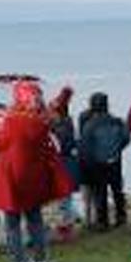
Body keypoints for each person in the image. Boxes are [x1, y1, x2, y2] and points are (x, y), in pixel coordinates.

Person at [0, 80, 75, 262]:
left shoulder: (12, 121)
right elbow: (56, 108)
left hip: (13, 178)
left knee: (12, 223)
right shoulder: (40, 121)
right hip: (33, 178)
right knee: (35, 220)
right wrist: (65, 93)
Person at [78, 92, 131, 231]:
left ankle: (103, 222)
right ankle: (121, 218)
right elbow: (126, 137)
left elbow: (85, 146)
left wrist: (90, 162)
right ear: (107, 105)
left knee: (100, 193)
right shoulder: (117, 121)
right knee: (117, 191)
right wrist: (117, 150)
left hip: (97, 164)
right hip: (115, 160)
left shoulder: (89, 125)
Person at [47, 87, 81, 231]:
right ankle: (71, 218)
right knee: (65, 198)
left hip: (63, 164)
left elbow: (61, 146)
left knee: (64, 198)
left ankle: (68, 223)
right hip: (68, 163)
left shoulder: (60, 127)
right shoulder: (67, 123)